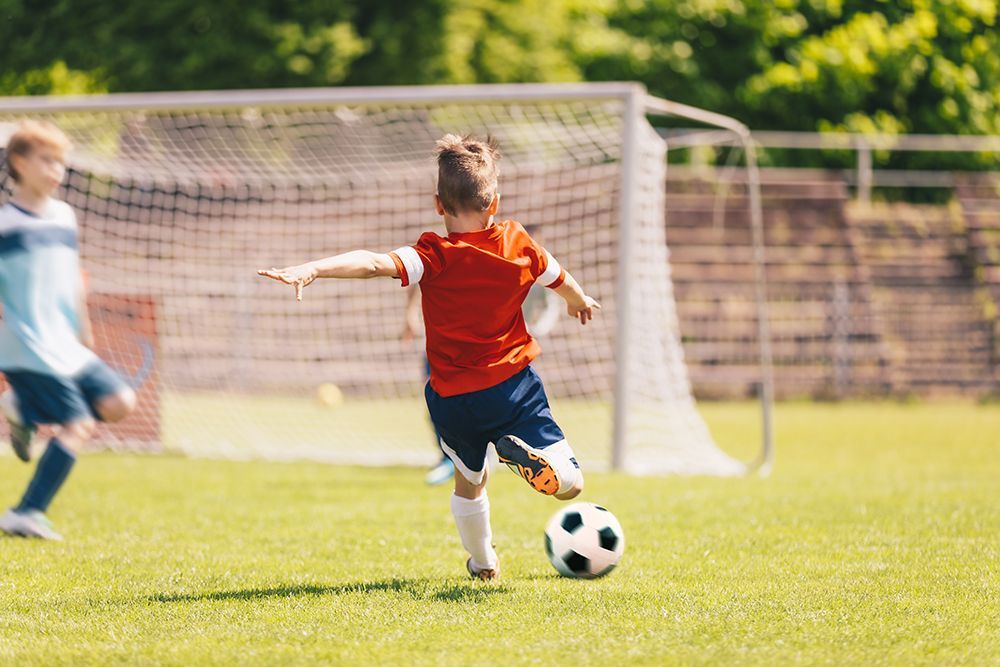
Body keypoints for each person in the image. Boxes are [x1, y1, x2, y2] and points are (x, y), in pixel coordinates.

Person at [259, 134, 599, 580]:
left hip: (454, 398)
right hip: (514, 388)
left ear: (438, 205)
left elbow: (373, 263)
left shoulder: (432, 255)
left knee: (469, 485)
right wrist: (579, 300)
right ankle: (533, 463)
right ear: (494, 201)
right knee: (571, 485)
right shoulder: (519, 243)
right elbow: (558, 275)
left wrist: (315, 268)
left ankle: (482, 563)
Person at [0, 120, 137, 540]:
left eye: (61, 161)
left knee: (119, 402)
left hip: (67, 343)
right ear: (19, 163)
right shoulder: (5, 223)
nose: (57, 169)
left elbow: (72, 278)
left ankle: (24, 408)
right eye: (47, 160)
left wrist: (85, 328)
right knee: (79, 426)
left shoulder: (65, 215)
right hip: (29, 346)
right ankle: (25, 512)